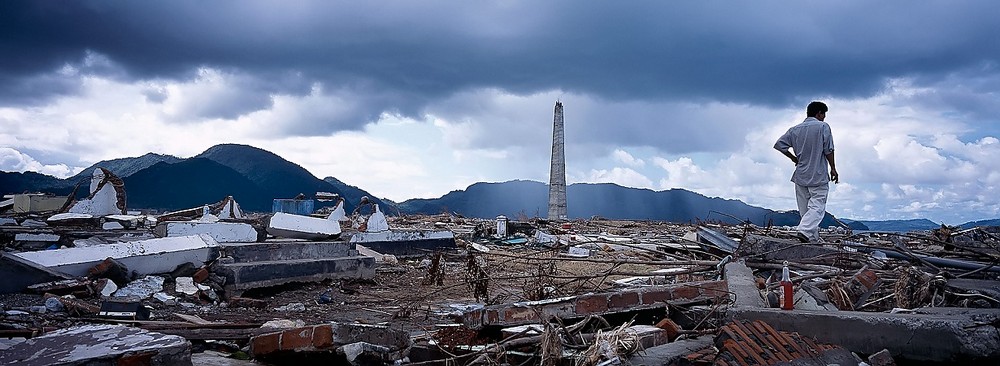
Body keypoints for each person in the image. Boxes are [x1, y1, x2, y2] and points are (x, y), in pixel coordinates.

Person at [774, 101, 838, 243]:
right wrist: (833, 168)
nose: (824, 118)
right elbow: (829, 150)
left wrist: (793, 158)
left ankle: (812, 238)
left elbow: (779, 145)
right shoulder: (822, 127)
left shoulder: (794, 129)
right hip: (818, 173)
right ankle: (804, 230)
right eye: (823, 114)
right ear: (819, 113)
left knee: (805, 210)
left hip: (801, 174)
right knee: (817, 206)